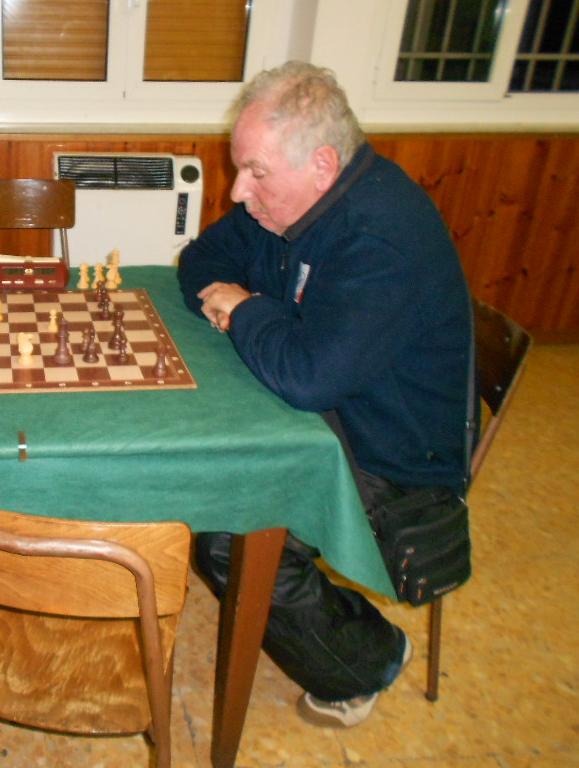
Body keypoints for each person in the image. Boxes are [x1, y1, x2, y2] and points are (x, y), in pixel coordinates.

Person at [177, 61, 472, 728]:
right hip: (336, 408)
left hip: (399, 459)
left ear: (323, 164)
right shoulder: (289, 203)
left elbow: (307, 375)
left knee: (231, 536)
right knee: (216, 459)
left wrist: (248, 310)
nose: (235, 191)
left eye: (254, 171)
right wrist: (254, 317)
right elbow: (200, 262)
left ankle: (365, 659)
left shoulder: (383, 236)